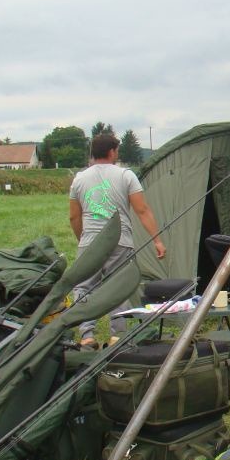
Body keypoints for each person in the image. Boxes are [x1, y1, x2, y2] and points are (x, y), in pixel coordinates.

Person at [69, 133, 165, 349]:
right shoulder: (126, 176)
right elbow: (142, 210)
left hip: (89, 242)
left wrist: (82, 240)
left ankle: (87, 336)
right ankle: (117, 336)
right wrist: (157, 240)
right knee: (118, 286)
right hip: (120, 241)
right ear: (112, 152)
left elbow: (74, 216)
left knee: (84, 287)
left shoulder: (79, 179)